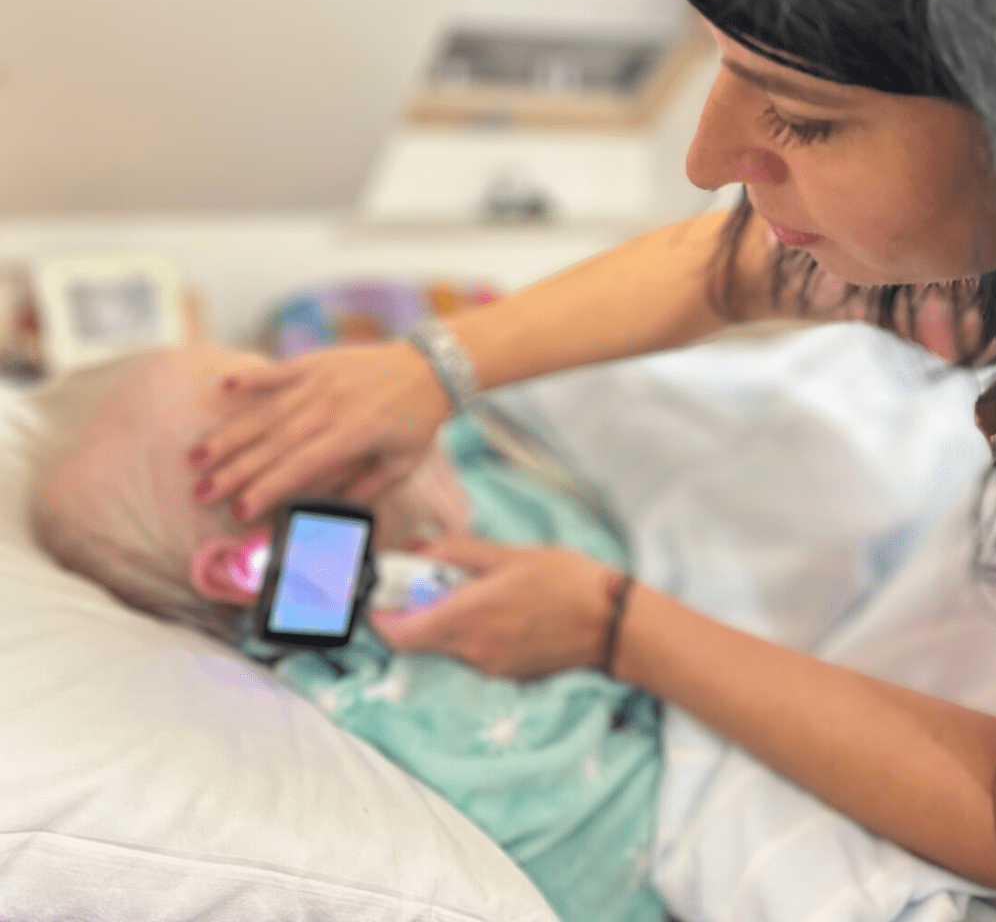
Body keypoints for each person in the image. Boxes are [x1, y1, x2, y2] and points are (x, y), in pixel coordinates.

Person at [187, 0, 996, 901]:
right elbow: (728, 267)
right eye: (716, 60)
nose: (704, 164)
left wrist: (618, 626)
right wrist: (429, 368)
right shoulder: (985, 261)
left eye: (804, 115)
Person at [27, 342, 666, 922]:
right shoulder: (417, 708)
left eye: (287, 374)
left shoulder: (447, 456)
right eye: (272, 415)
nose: (333, 391)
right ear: (244, 566)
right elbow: (627, 839)